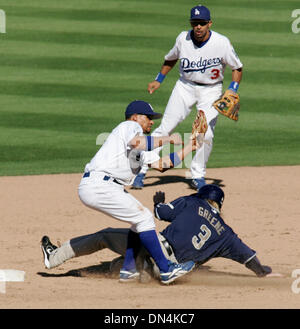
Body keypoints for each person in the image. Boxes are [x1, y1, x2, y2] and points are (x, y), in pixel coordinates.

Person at [41, 100, 201, 285]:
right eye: (148, 117)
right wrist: (169, 139)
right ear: (135, 117)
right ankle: (166, 270)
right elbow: (138, 142)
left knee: (137, 222)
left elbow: (161, 165)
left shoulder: (134, 148)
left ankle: (128, 269)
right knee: (145, 218)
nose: (152, 121)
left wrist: (190, 147)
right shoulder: (128, 127)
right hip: (99, 185)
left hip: (104, 187)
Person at [40, 185, 272, 283]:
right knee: (119, 265)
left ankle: (55, 257)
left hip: (157, 248)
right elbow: (249, 259)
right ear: (219, 204)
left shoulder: (192, 202)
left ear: (203, 196)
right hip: (173, 267)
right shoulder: (227, 234)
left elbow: (160, 214)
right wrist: (263, 272)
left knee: (105, 235)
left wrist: (159, 201)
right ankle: (137, 271)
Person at [132, 5, 243, 190]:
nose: (198, 27)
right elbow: (171, 58)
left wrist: (233, 88)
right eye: (194, 23)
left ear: (209, 23)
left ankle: (198, 175)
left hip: (211, 90)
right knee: (166, 127)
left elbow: (237, 67)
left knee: (205, 133)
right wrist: (159, 79)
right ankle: (141, 170)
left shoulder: (222, 42)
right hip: (185, 87)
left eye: (202, 23)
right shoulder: (183, 39)